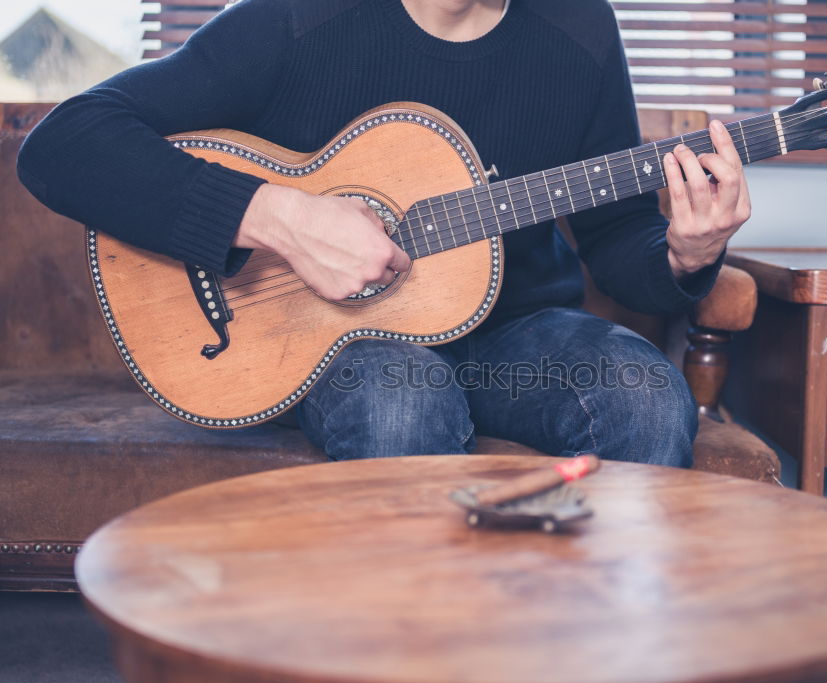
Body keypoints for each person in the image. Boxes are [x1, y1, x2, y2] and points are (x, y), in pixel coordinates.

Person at [17, 0, 750, 466]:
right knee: (402, 399)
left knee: (644, 388)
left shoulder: (579, 27)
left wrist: (687, 253)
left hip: (514, 336)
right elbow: (64, 144)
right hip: (339, 334)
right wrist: (279, 216)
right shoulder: (300, 18)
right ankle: (409, 682)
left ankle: (584, 672)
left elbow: (616, 234)